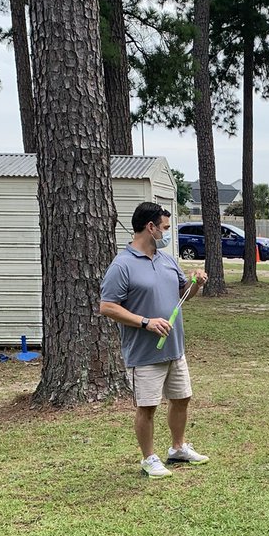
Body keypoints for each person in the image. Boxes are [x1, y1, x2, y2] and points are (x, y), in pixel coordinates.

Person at [100, 201, 209, 477]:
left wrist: (195, 283)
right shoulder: (122, 265)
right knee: (147, 407)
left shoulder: (167, 260)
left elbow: (182, 295)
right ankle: (149, 458)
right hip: (144, 354)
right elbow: (108, 306)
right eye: (165, 228)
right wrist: (145, 322)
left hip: (174, 349)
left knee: (181, 398)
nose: (167, 233)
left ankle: (178, 448)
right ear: (150, 227)